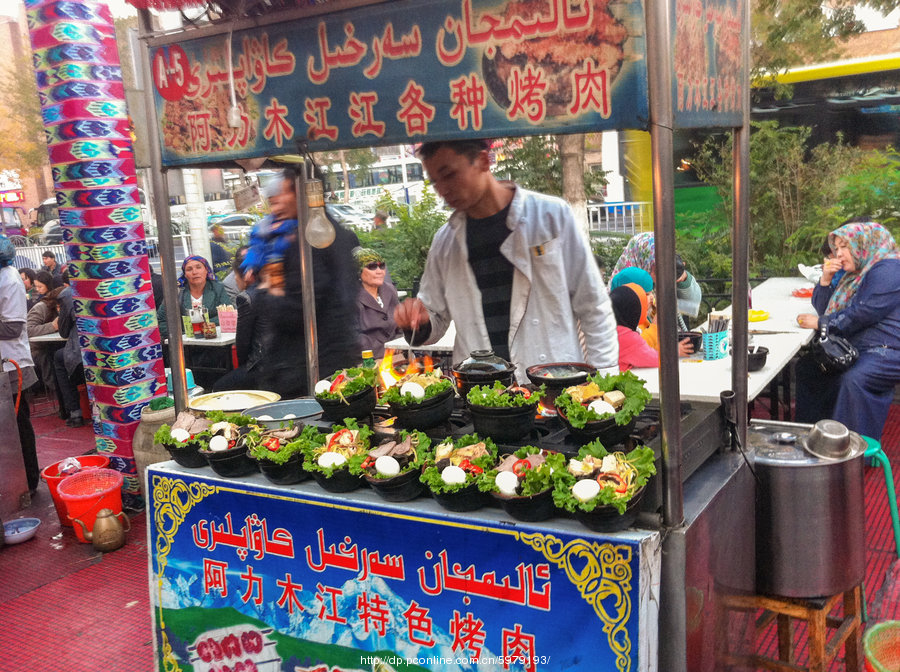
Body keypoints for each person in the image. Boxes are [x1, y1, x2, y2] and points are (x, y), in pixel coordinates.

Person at [393, 139, 618, 380]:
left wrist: (604, 381)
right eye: (435, 181)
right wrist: (418, 321)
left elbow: (593, 306)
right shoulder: (444, 242)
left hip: (553, 384)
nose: (442, 189)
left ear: (482, 161)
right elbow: (434, 321)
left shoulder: (552, 216)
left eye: (449, 175)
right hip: (481, 393)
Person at [240, 167, 360, 396]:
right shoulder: (336, 233)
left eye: (284, 192)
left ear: (302, 193)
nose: (277, 200)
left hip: (305, 368)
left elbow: (295, 310)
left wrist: (267, 289)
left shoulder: (308, 241)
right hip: (330, 358)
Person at [794, 220, 900, 441]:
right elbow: (826, 308)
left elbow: (863, 313)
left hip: (887, 350)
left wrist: (821, 324)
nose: (838, 254)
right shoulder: (858, 271)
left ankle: (849, 453)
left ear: (864, 244)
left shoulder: (889, 269)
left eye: (845, 247)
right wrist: (825, 280)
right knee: (809, 368)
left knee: (852, 380)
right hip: (857, 345)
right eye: (837, 248)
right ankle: (812, 438)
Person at [609, 234, 698, 356]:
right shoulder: (624, 296)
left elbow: (692, 307)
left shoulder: (649, 285)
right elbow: (637, 345)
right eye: (656, 268)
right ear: (644, 259)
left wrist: (683, 280)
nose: (661, 273)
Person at [0, 236, 39, 492]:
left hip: (12, 366)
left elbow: (13, 327)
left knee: (18, 428)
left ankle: (29, 482)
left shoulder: (9, 278)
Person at [213, 247, 262, 391]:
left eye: (235, 274)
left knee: (218, 389)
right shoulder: (273, 289)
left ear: (248, 275)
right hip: (280, 362)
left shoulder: (246, 297)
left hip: (260, 366)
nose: (234, 278)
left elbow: (242, 343)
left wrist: (243, 369)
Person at [156, 256, 232, 338]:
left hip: (214, 339)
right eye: (189, 269)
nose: (194, 272)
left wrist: (202, 326)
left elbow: (227, 315)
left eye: (198, 267)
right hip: (185, 342)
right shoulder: (176, 292)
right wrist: (182, 335)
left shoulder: (217, 288)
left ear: (206, 270)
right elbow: (161, 320)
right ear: (185, 274)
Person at [354, 247, 401, 358]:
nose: (379, 271)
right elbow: (352, 337)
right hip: (367, 361)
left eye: (382, 266)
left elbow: (401, 324)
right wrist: (385, 349)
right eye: (372, 266)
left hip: (396, 357)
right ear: (359, 271)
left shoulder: (390, 290)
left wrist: (398, 343)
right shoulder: (351, 297)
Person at [53, 282, 87, 427]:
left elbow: (64, 332)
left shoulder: (67, 294)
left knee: (58, 358)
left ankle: (74, 412)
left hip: (82, 355)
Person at [27, 285, 65, 396]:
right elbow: (27, 330)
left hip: (56, 344)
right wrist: (52, 326)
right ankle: (57, 390)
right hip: (37, 347)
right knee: (47, 356)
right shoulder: (40, 308)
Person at [610, 284, 660, 370]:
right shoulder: (626, 337)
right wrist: (674, 352)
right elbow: (655, 359)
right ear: (634, 312)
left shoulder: (606, 331)